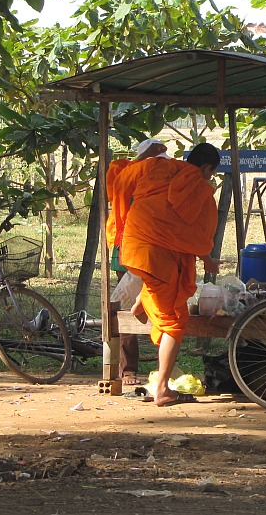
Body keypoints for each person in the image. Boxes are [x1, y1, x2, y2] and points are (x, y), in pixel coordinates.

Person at [109, 142, 221, 407]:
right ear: (207, 168)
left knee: (160, 287)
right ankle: (162, 390)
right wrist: (207, 258)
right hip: (154, 257)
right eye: (211, 173)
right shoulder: (201, 188)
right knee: (176, 320)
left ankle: (142, 301)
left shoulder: (156, 166)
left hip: (134, 247)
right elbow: (195, 233)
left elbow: (120, 177)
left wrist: (145, 157)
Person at [106, 139, 170, 387]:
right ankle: (128, 369)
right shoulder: (128, 179)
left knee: (162, 308)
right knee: (125, 308)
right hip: (128, 255)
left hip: (157, 256)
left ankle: (163, 369)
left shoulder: (166, 184)